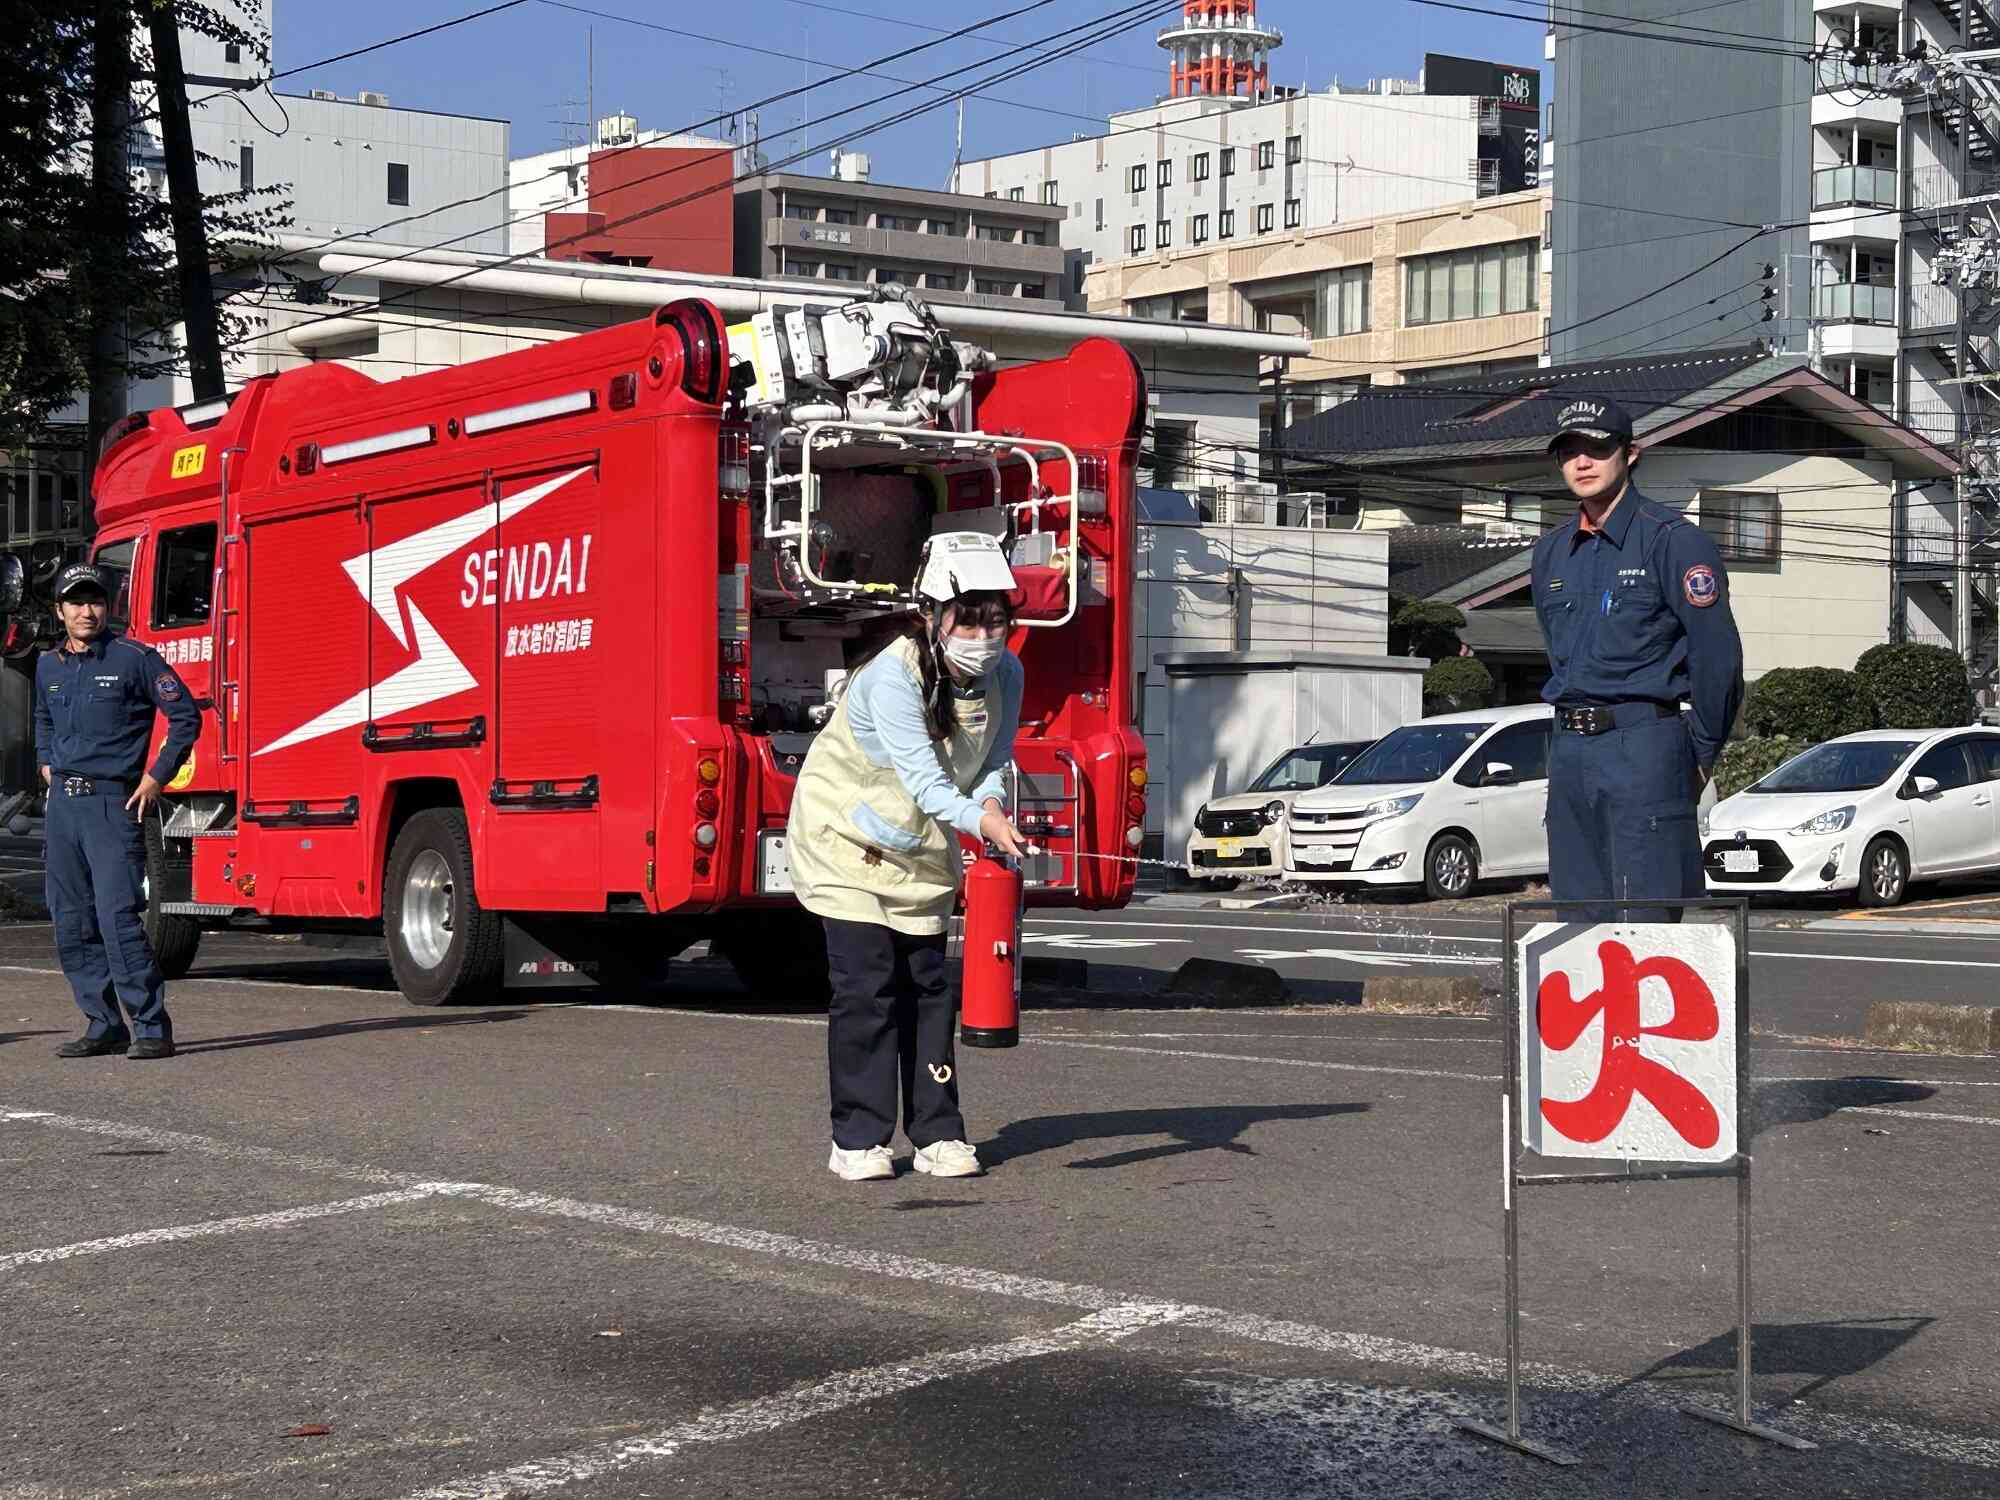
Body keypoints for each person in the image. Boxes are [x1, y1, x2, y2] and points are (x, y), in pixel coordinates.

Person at [786, 532, 1033, 1182]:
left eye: (996, 617)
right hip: (847, 844)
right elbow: (926, 782)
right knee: (866, 988)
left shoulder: (1007, 674)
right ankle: (859, 1139)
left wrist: (993, 807)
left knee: (928, 991)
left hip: (920, 852)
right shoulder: (893, 676)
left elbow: (991, 762)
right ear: (932, 613)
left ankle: (937, 1133)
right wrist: (980, 817)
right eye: (968, 617)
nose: (983, 632)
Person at [1532, 397, 1744, 921]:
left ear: (1630, 454)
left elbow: (1717, 658)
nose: (1582, 463)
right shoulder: (1551, 551)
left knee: (1645, 922)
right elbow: (1558, 653)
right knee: (1577, 926)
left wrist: (1697, 753)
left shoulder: (1673, 541)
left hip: (1644, 746)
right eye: (1569, 451)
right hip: (1569, 750)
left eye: (1597, 449)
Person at [33, 563, 200, 1059]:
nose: (88, 611)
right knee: (71, 919)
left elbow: (185, 716)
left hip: (113, 803)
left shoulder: (136, 659)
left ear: (109, 607)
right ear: (60, 611)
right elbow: (43, 715)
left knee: (117, 919)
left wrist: (157, 776)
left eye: (96, 601)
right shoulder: (48, 665)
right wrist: (45, 761)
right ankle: (103, 1023)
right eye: (77, 602)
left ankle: (150, 1026)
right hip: (63, 806)